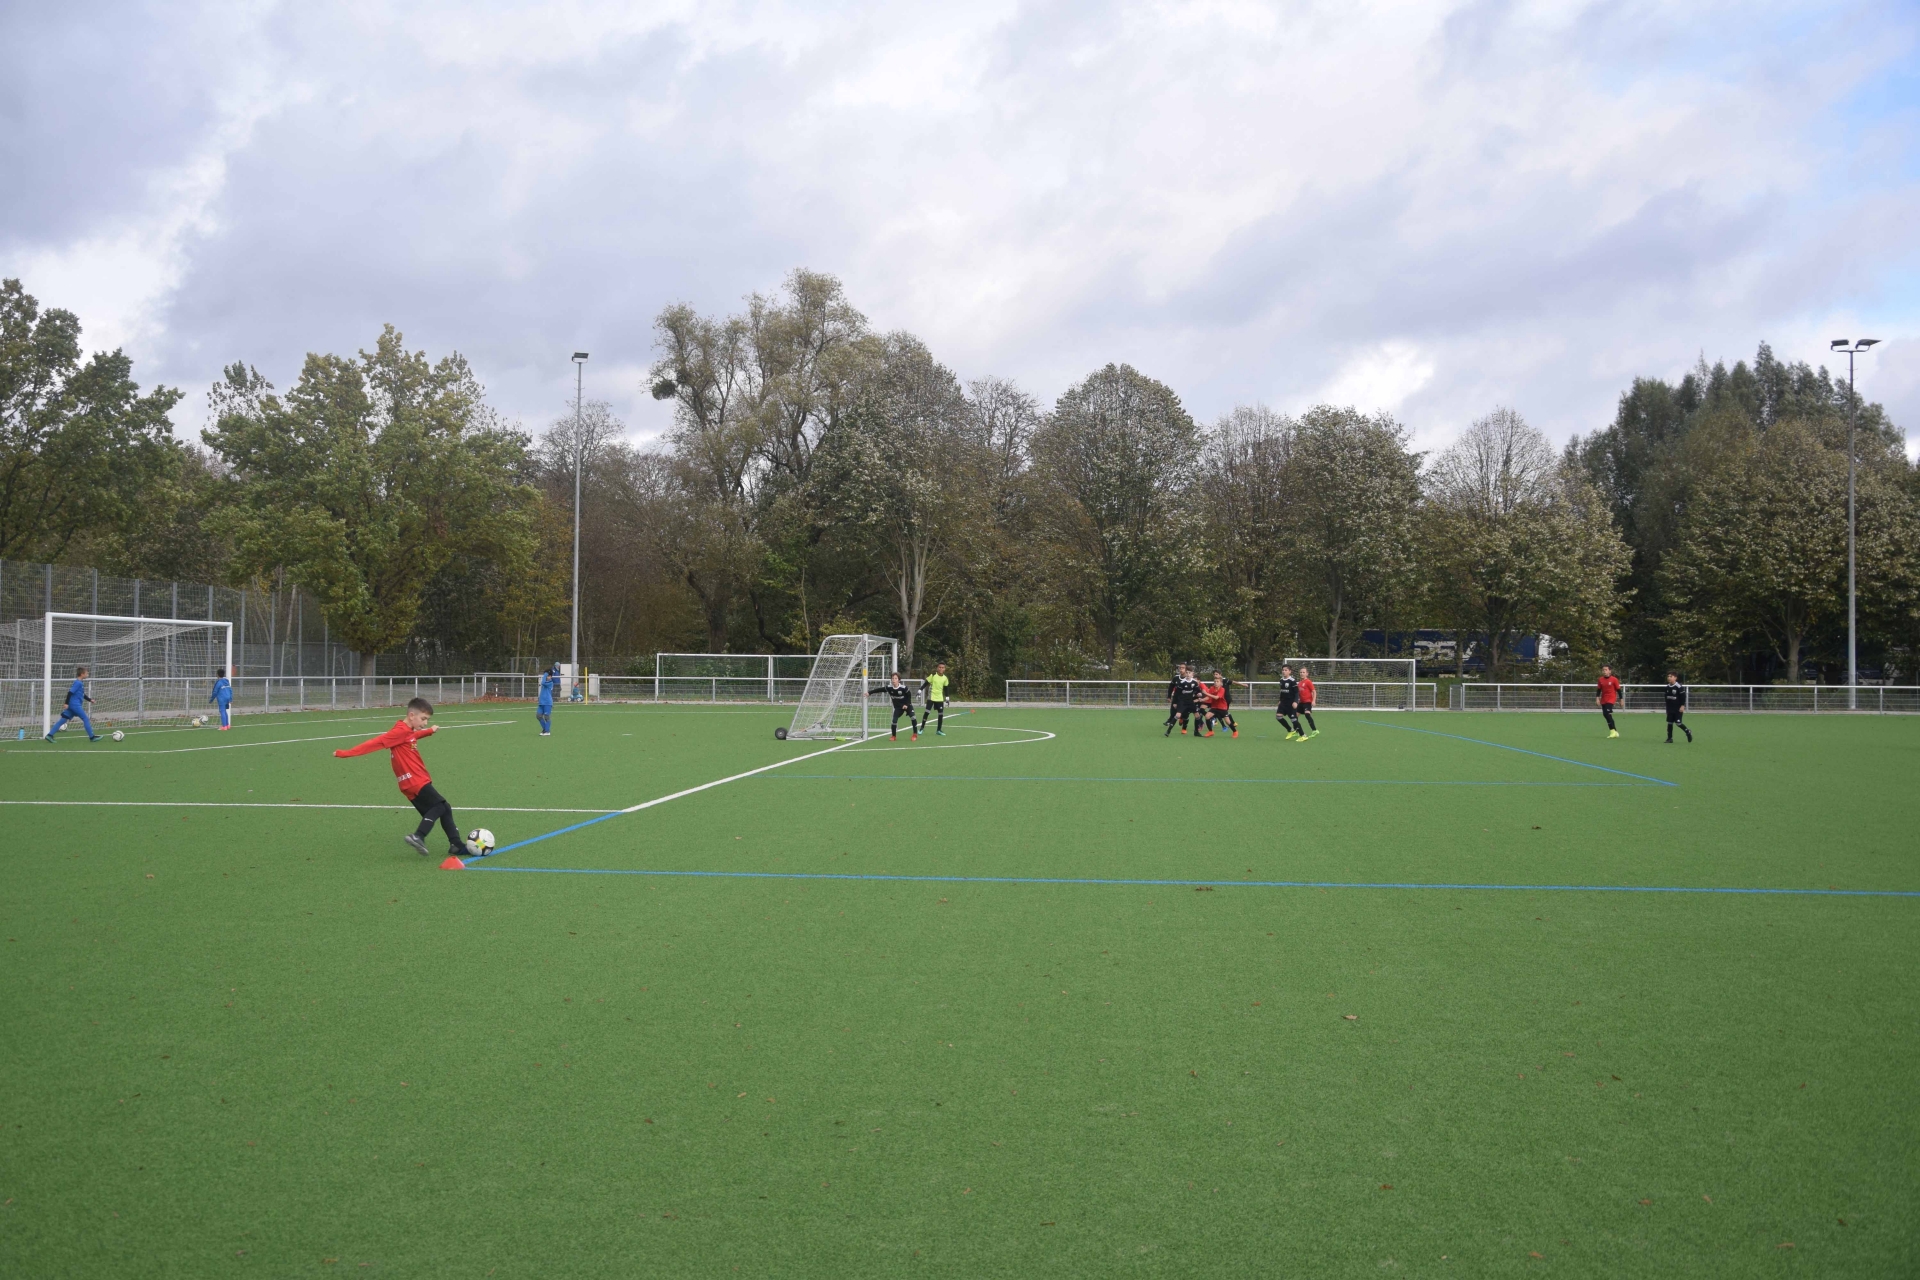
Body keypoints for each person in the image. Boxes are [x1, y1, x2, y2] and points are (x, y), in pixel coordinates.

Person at [333, 697, 476, 859]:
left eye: (427, 720)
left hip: (410, 782)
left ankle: (456, 845)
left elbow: (412, 736)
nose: (425, 723)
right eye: (423, 719)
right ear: (411, 715)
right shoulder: (399, 732)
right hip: (415, 780)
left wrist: (429, 731)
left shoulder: (407, 731)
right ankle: (418, 836)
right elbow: (374, 743)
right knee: (440, 806)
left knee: (445, 808)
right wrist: (345, 753)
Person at [46, 665, 101, 742]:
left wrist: (90, 699)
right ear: (82, 674)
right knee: (85, 719)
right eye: (86, 673)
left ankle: (49, 735)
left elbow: (82, 694)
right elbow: (70, 692)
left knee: (63, 720)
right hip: (75, 705)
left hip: (72, 705)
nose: (87, 674)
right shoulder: (78, 683)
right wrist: (66, 703)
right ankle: (92, 737)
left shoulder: (79, 683)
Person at [869, 671, 920, 740]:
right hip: (898, 707)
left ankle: (915, 734)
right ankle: (893, 736)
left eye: (895, 678)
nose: (894, 680)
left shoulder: (904, 688)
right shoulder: (889, 688)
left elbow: (909, 696)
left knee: (913, 717)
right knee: (894, 720)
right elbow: (879, 690)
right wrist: (869, 693)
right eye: (892, 678)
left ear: (899, 680)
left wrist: (906, 705)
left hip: (907, 705)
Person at [1166, 664, 1201, 737]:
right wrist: (1175, 702)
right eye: (1187, 672)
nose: (1188, 674)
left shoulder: (1194, 682)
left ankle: (1196, 732)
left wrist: (1199, 694)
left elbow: (1197, 691)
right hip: (1182, 702)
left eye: (1189, 673)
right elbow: (1177, 693)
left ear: (1192, 674)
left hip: (1190, 702)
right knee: (1177, 715)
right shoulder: (1182, 682)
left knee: (1197, 716)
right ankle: (1168, 731)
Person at [1202, 670, 1237, 738]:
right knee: (1207, 716)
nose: (1216, 683)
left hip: (1222, 707)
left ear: (1221, 683)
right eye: (1215, 681)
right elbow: (1208, 697)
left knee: (1227, 721)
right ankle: (1210, 731)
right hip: (1214, 707)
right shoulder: (1212, 688)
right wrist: (1202, 699)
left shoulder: (1222, 689)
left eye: (1217, 681)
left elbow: (1216, 697)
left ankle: (1235, 731)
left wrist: (1206, 693)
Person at [921, 661, 952, 736]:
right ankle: (921, 728)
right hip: (931, 697)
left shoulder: (945, 678)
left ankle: (938, 730)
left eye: (942, 667)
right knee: (927, 712)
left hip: (939, 698)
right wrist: (920, 690)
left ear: (944, 669)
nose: (941, 669)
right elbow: (926, 683)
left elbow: (946, 688)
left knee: (940, 714)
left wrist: (947, 698)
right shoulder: (933, 676)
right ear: (937, 668)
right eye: (940, 667)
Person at [1275, 665, 1305, 740]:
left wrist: (1295, 701)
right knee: (1278, 717)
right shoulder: (1281, 680)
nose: (1284, 671)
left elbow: (1296, 692)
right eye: (1283, 670)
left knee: (1293, 719)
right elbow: (1282, 692)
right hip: (1283, 703)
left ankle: (1303, 735)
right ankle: (1290, 730)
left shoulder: (1292, 681)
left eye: (1286, 670)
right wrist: (1280, 700)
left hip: (1290, 703)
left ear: (1290, 671)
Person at [1663, 672, 1693, 743]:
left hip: (1677, 708)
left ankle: (1688, 731)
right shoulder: (1667, 687)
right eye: (1668, 676)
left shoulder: (1679, 687)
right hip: (1670, 708)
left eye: (1671, 676)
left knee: (1678, 723)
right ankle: (1669, 738)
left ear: (1675, 678)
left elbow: (1683, 697)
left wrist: (1682, 706)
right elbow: (1666, 698)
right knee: (1669, 723)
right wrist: (1667, 709)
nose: (1669, 678)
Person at [1596, 665, 1622, 738]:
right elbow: (1599, 690)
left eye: (1606, 670)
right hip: (1603, 699)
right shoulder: (1600, 679)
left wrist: (1621, 699)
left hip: (1611, 699)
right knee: (1606, 714)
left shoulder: (1614, 679)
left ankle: (1612, 731)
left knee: (1607, 713)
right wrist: (1597, 698)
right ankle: (1615, 732)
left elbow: (1618, 690)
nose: (1604, 671)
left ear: (1610, 671)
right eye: (1603, 670)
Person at [1295, 666, 1320, 739]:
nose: (1302, 673)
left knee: (1307, 714)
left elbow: (1314, 691)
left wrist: (1313, 700)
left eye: (1303, 672)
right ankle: (1297, 731)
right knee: (1294, 717)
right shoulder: (1299, 683)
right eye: (1301, 672)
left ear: (1307, 673)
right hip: (1301, 702)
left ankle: (1314, 730)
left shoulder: (1308, 681)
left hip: (1307, 702)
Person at [537, 663, 560, 736]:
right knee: (538, 716)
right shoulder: (545, 682)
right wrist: (546, 674)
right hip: (541, 702)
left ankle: (547, 731)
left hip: (547, 702)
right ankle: (545, 729)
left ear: (550, 676)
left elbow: (543, 682)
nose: (547, 677)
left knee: (547, 717)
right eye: (547, 676)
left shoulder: (550, 683)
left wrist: (546, 674)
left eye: (548, 676)